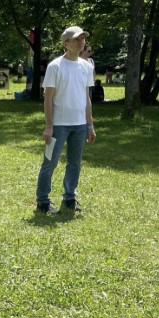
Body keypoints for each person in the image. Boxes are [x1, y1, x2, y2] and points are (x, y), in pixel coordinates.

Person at [35, 26, 96, 214]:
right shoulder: (55, 66)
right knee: (50, 163)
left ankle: (70, 197)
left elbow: (86, 97)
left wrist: (90, 124)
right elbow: (48, 97)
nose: (81, 42)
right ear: (66, 43)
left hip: (79, 125)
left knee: (75, 163)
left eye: (82, 39)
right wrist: (49, 126)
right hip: (59, 125)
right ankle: (42, 202)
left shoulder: (87, 66)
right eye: (76, 39)